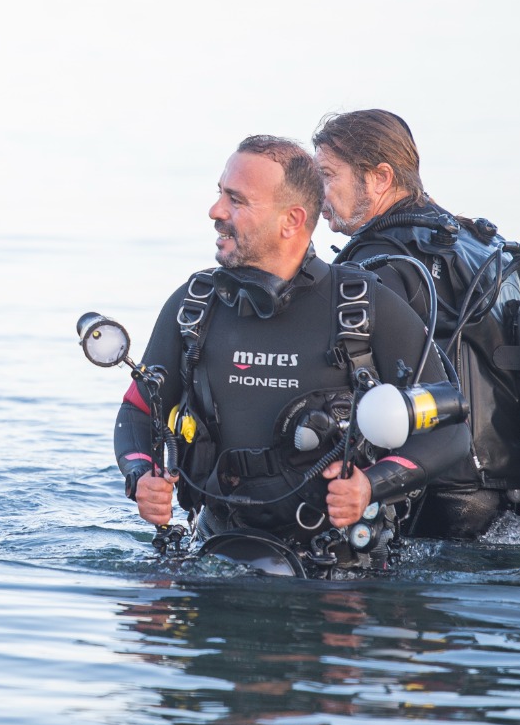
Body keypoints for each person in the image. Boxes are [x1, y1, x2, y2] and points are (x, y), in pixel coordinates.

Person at [112, 135, 470, 575]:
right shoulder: (194, 306)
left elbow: (450, 431)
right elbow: (137, 410)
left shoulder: (364, 309)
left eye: (236, 200)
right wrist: (140, 476)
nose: (216, 211)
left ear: (292, 220)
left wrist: (369, 486)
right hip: (214, 554)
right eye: (220, 193)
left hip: (338, 571)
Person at [312, 109, 520, 539]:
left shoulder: (379, 264)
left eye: (328, 176)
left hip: (435, 495)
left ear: (380, 177)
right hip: (512, 491)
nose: (317, 192)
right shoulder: (479, 243)